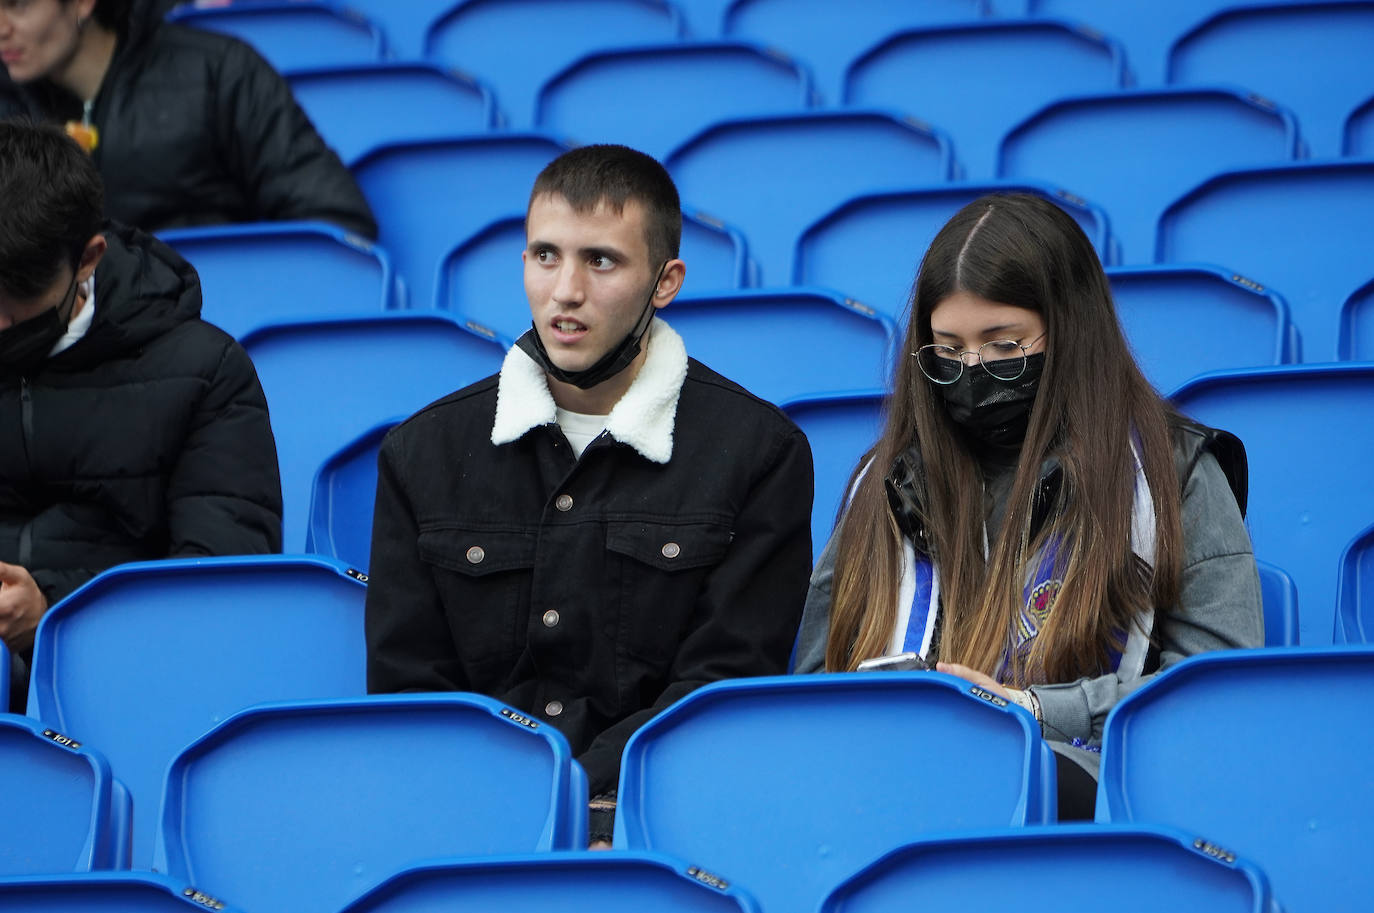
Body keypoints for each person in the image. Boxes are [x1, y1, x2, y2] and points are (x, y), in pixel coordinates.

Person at [365, 144, 813, 844]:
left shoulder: (760, 452)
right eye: (545, 256)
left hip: (665, 824)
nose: (565, 291)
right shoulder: (423, 453)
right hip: (471, 824)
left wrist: (586, 796)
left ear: (665, 282)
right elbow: (408, 689)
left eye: (600, 261)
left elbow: (723, 682)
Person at [793, 193, 1263, 819]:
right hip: (890, 791)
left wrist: (1036, 710)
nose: (973, 371)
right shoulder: (883, 483)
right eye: (948, 351)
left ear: (1070, 332)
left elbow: (1217, 698)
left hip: (1087, 798)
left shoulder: (1172, 474)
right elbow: (813, 689)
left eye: (1004, 345)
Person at [0, 121, 282, 707]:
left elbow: (219, 582)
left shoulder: (206, 371)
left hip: (128, 684)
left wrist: (55, 612)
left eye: (19, 294)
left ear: (88, 259)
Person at [0, 0, 377, 237]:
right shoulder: (7, 106)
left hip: (209, 331)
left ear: (83, 3)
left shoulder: (218, 73)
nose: (1, 27)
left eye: (17, 4)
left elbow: (335, 222)